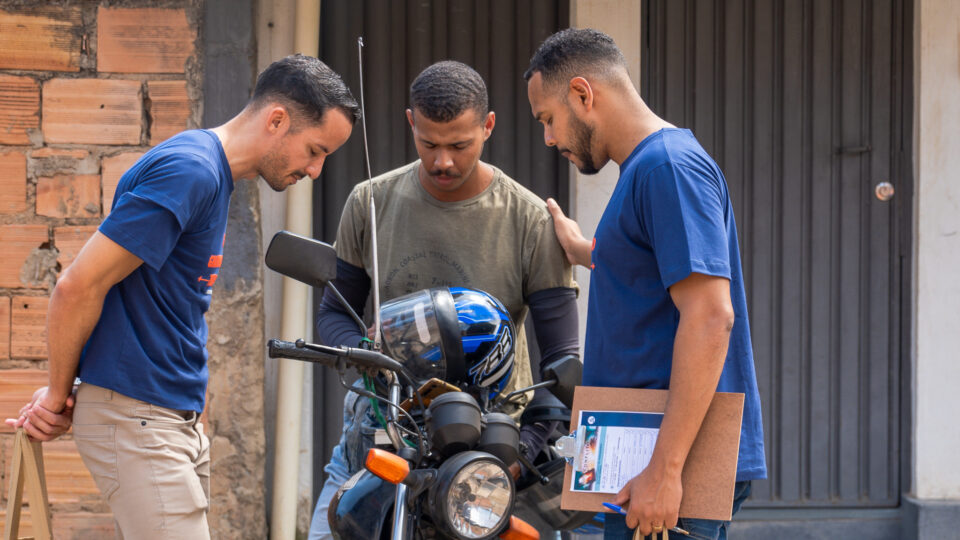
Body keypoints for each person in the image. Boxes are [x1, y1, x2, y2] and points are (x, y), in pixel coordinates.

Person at [4, 54, 359, 539]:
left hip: (170, 420)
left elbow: (176, 307)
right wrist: (57, 394)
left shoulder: (214, 177)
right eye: (315, 150)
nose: (316, 171)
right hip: (138, 417)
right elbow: (79, 285)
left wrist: (196, 417)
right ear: (277, 120)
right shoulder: (190, 171)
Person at [308, 60, 579, 539]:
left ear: (488, 126)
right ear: (410, 121)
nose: (443, 162)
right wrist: (364, 348)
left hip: (487, 455)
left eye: (460, 144)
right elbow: (334, 312)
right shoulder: (369, 200)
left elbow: (563, 359)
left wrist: (522, 451)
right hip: (381, 441)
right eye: (429, 143)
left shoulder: (530, 220)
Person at [524, 29, 766, 540]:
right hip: (642, 454)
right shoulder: (647, 168)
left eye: (548, 119)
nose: (548, 138)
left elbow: (710, 316)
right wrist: (591, 252)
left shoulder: (668, 168)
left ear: (583, 95)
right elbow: (658, 269)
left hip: (667, 465)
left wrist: (666, 469)